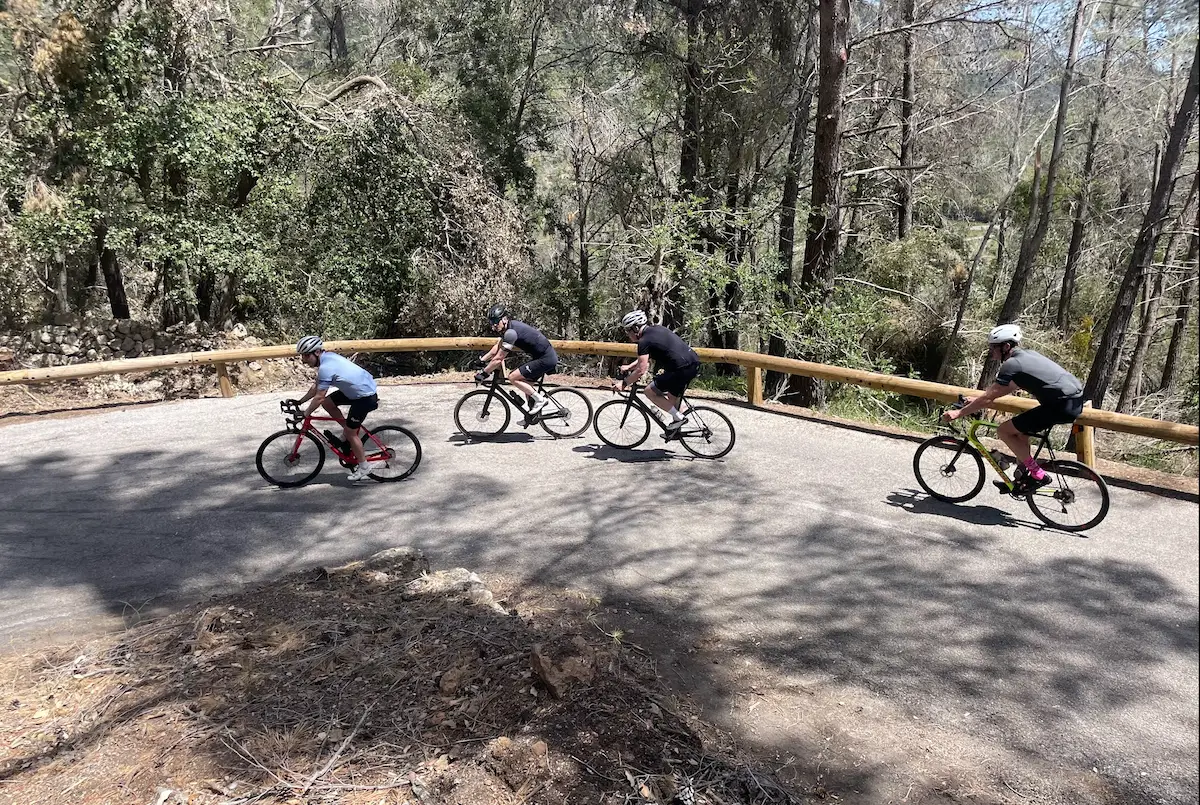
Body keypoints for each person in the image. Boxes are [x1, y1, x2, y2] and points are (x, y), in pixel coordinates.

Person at [943, 324, 1085, 491]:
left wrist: (958, 413)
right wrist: (976, 400)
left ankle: (1038, 474)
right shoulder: (1028, 355)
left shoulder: (1012, 364)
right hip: (1072, 400)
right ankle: (1022, 477)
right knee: (1021, 432)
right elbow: (1001, 391)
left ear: (1006, 346)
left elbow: (989, 397)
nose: (991, 351)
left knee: (1003, 431)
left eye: (993, 347)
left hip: (1060, 405)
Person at [291, 336, 380, 482]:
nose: (303, 360)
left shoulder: (326, 367)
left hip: (365, 397)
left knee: (351, 433)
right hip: (357, 391)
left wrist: (305, 413)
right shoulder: (328, 358)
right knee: (328, 403)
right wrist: (300, 401)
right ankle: (347, 432)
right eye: (302, 356)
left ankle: (364, 466)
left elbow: (319, 397)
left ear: (317, 352)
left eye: (306, 355)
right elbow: (317, 387)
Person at [614, 310, 700, 436]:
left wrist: (624, 383)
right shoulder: (656, 329)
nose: (627, 334)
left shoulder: (644, 341)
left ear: (636, 328)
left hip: (680, 368)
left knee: (649, 391)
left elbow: (641, 370)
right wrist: (629, 367)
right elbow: (644, 360)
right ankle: (677, 427)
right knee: (671, 399)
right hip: (692, 362)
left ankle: (680, 418)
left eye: (628, 330)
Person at [476, 304, 558, 416]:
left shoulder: (511, 333)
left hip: (546, 359)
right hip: (542, 357)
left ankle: (540, 400)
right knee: (527, 387)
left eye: (496, 321)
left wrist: (484, 373)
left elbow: (499, 358)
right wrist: (481, 360)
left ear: (504, 319)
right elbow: (497, 348)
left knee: (513, 377)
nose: (494, 325)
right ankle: (531, 416)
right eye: (492, 322)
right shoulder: (510, 329)